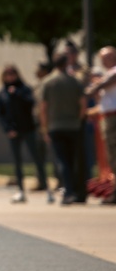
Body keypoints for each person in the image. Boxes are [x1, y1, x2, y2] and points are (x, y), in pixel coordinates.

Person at [0, 65, 51, 203]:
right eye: (7, 74)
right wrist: (8, 129)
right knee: (17, 162)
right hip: (13, 131)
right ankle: (20, 191)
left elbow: (31, 103)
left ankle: (47, 189)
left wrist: (17, 94)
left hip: (28, 129)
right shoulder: (2, 93)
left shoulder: (24, 89)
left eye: (12, 73)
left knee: (37, 158)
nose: (10, 76)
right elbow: (1, 114)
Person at [38, 53, 87, 205]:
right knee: (74, 159)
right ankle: (79, 192)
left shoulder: (48, 82)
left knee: (62, 160)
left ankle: (68, 192)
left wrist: (45, 128)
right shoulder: (75, 81)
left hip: (56, 126)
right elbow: (83, 104)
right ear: (66, 63)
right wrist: (78, 120)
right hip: (73, 126)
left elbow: (43, 108)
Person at [86, 45, 116, 204]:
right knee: (110, 155)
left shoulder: (113, 73)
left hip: (113, 118)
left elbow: (105, 83)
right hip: (107, 116)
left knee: (114, 153)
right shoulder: (107, 74)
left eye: (109, 57)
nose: (106, 60)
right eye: (104, 58)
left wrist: (94, 86)